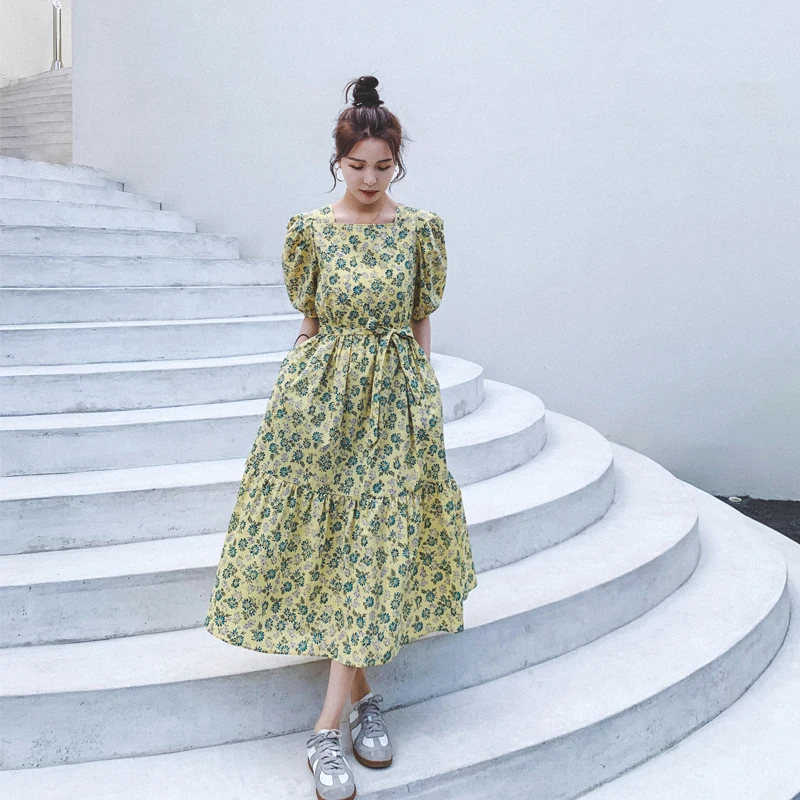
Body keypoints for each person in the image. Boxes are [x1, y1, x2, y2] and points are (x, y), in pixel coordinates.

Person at [204, 74, 477, 800]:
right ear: (338, 161)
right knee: (335, 545)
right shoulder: (311, 231)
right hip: (321, 403)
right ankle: (363, 700)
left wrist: (422, 400)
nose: (369, 179)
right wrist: (293, 408)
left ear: (397, 163)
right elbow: (311, 320)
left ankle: (325, 729)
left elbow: (420, 318)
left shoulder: (420, 230)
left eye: (382, 166)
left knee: (376, 542)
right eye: (357, 165)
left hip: (394, 403)